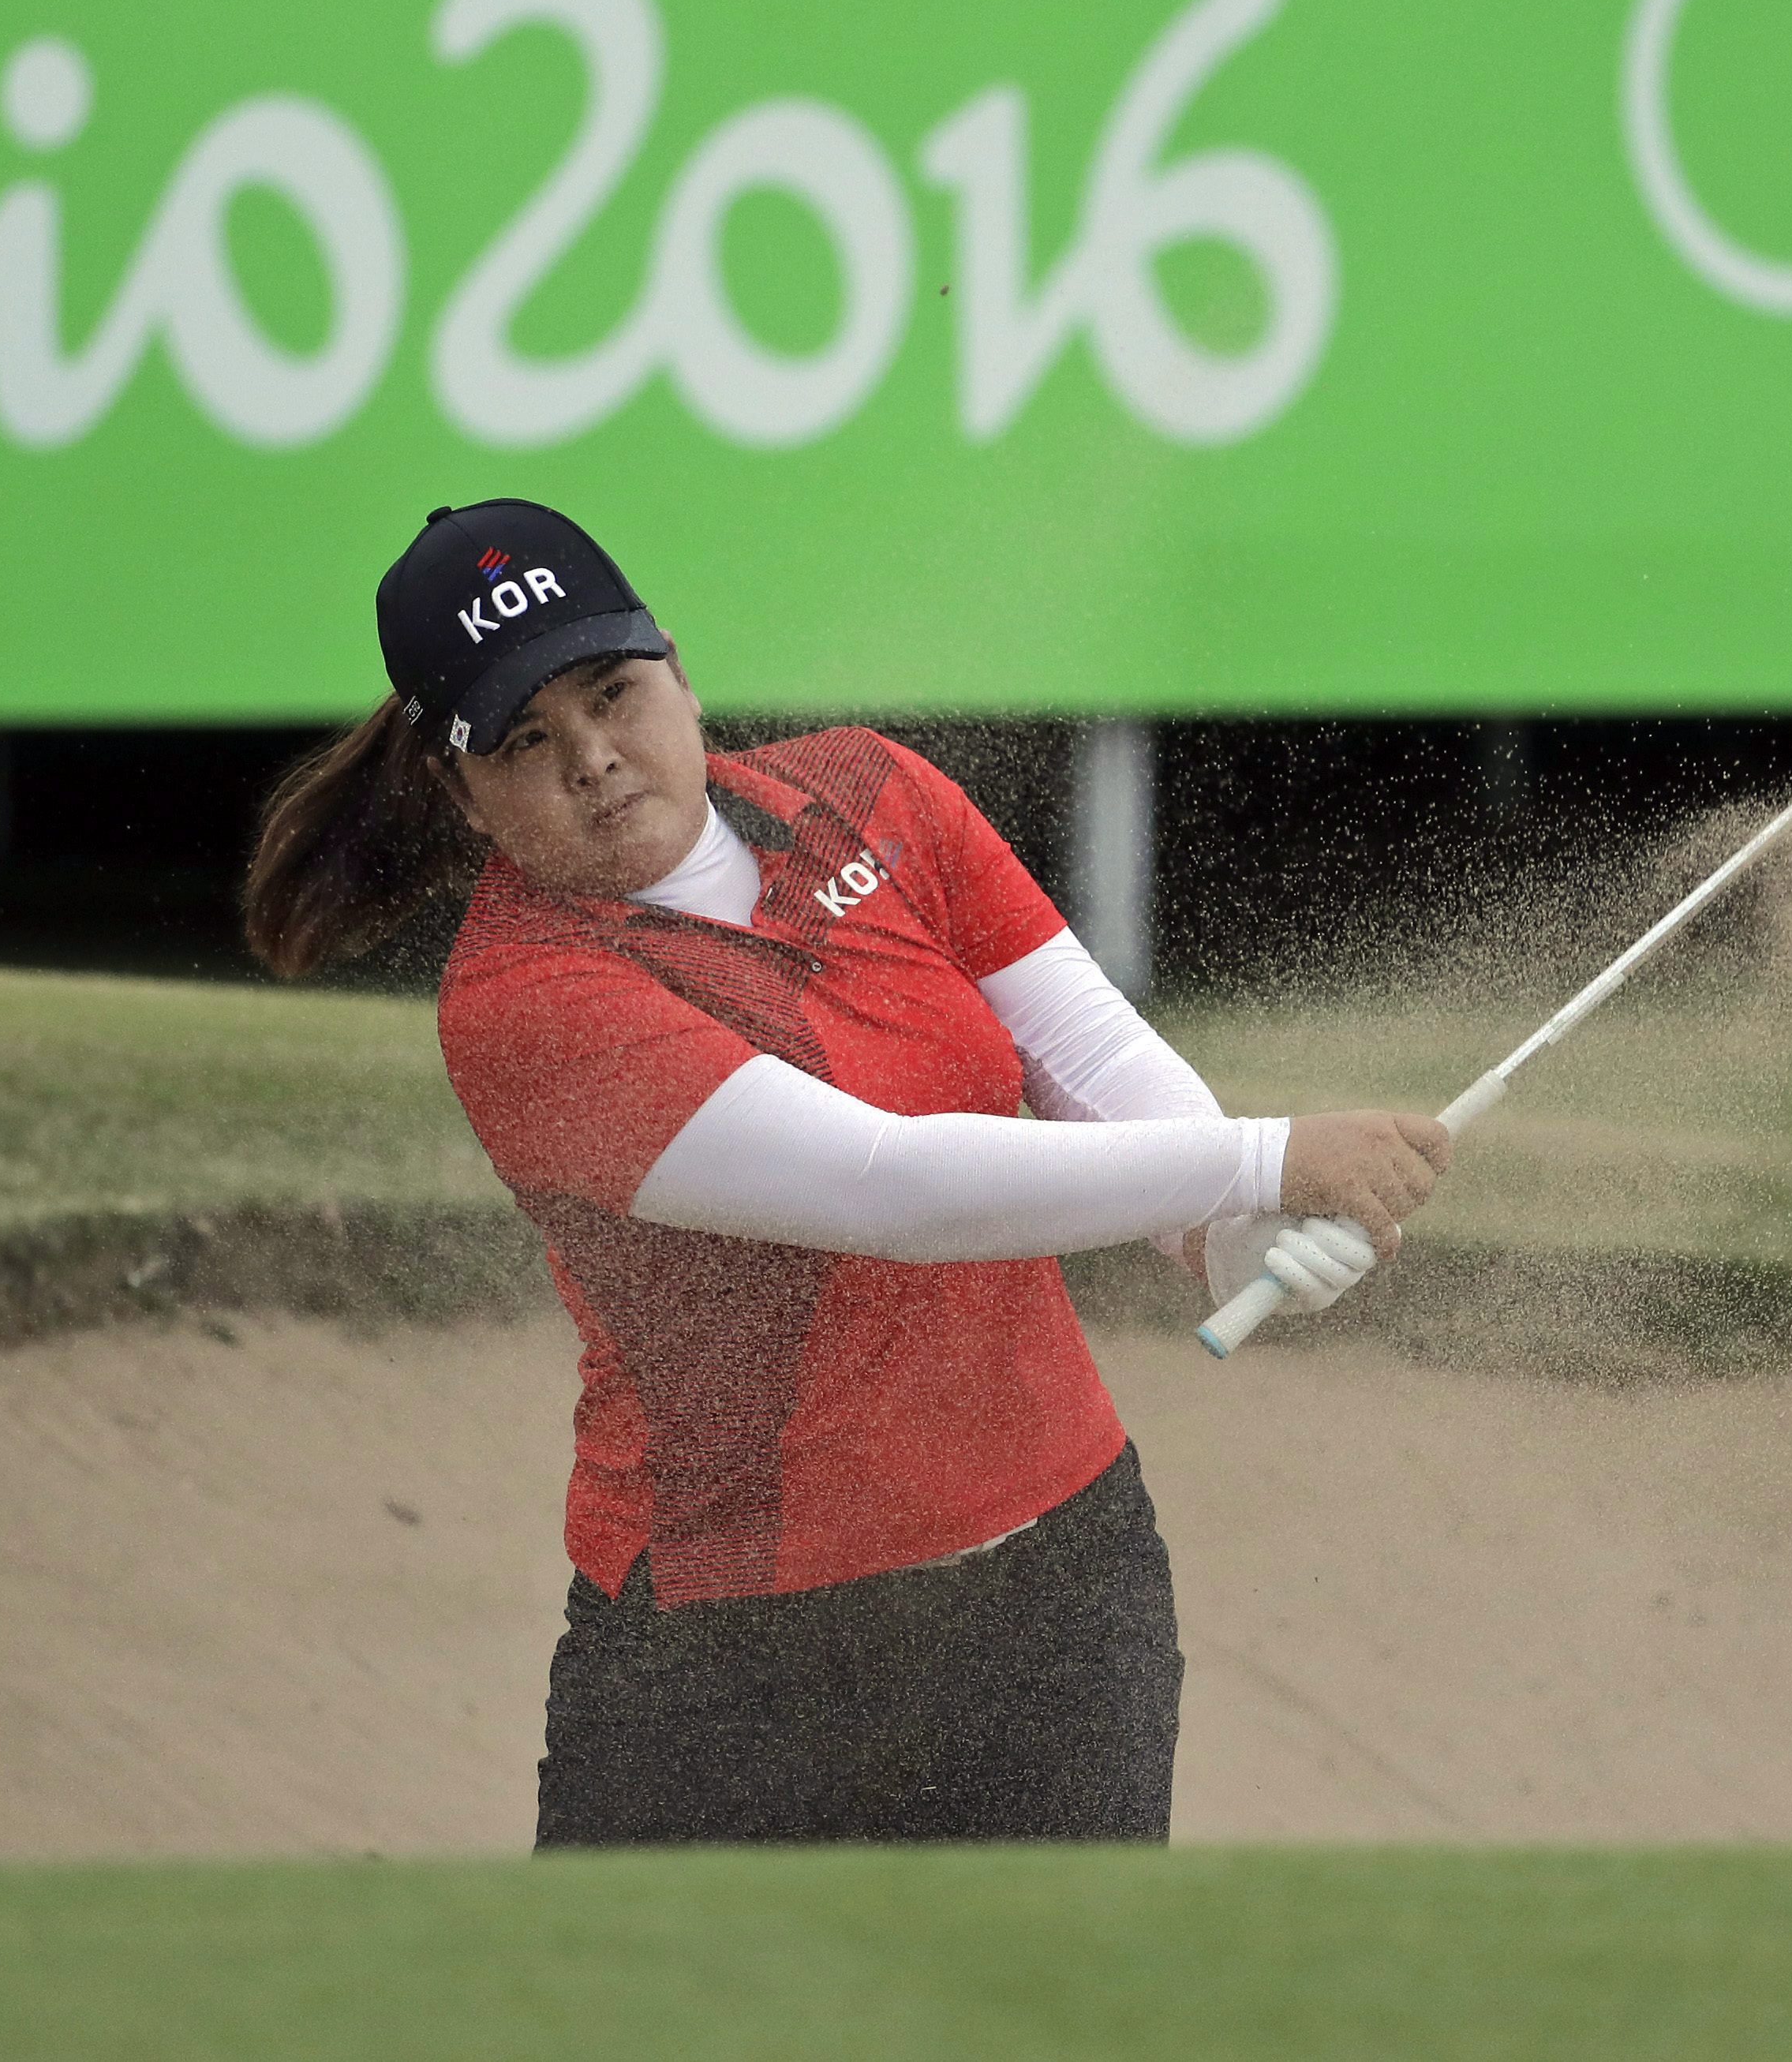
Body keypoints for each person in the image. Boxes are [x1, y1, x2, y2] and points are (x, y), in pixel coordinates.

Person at [241, 498, 1451, 1844]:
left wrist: (1229, 1230)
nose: (592, 756)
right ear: (458, 794)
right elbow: (891, 1188)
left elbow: (1084, 1049)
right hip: (734, 1668)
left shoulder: (874, 791)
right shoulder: (524, 997)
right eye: (526, 738)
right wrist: (1273, 1154)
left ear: (679, 673)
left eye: (611, 693)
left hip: (1060, 1599)